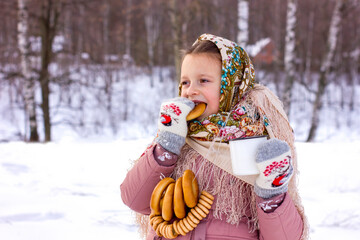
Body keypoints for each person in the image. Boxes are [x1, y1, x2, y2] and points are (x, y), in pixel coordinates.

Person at [120, 33, 308, 240]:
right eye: (185, 82)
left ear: (231, 84)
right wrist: (166, 146)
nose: (191, 91)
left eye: (203, 81)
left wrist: (272, 193)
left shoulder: (258, 137)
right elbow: (134, 199)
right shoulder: (177, 134)